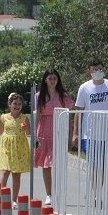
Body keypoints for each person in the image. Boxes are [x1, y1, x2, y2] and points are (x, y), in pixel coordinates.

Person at [70, 59, 108, 200]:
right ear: (89, 71)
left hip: (107, 135)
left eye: (100, 69)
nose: (97, 72)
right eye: (94, 70)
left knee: (102, 166)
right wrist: (75, 133)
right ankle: (95, 194)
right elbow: (78, 111)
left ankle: (96, 190)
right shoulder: (84, 88)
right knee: (93, 164)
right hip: (90, 134)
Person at [34, 69, 73, 206]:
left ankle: (60, 191)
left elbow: (69, 115)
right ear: (45, 80)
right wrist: (34, 134)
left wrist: (70, 135)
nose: (52, 81)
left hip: (59, 131)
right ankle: (49, 194)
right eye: (50, 78)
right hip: (44, 132)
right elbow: (37, 115)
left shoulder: (63, 96)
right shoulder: (39, 96)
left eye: (54, 78)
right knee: (46, 164)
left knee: (59, 164)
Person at [0, 92, 32, 205]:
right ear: (10, 104)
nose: (17, 106)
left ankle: (14, 200)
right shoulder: (4, 117)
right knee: (5, 171)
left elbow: (29, 133)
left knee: (16, 174)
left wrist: (26, 127)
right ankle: (3, 196)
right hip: (7, 147)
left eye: (19, 104)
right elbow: (0, 130)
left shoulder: (24, 118)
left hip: (19, 148)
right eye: (15, 104)